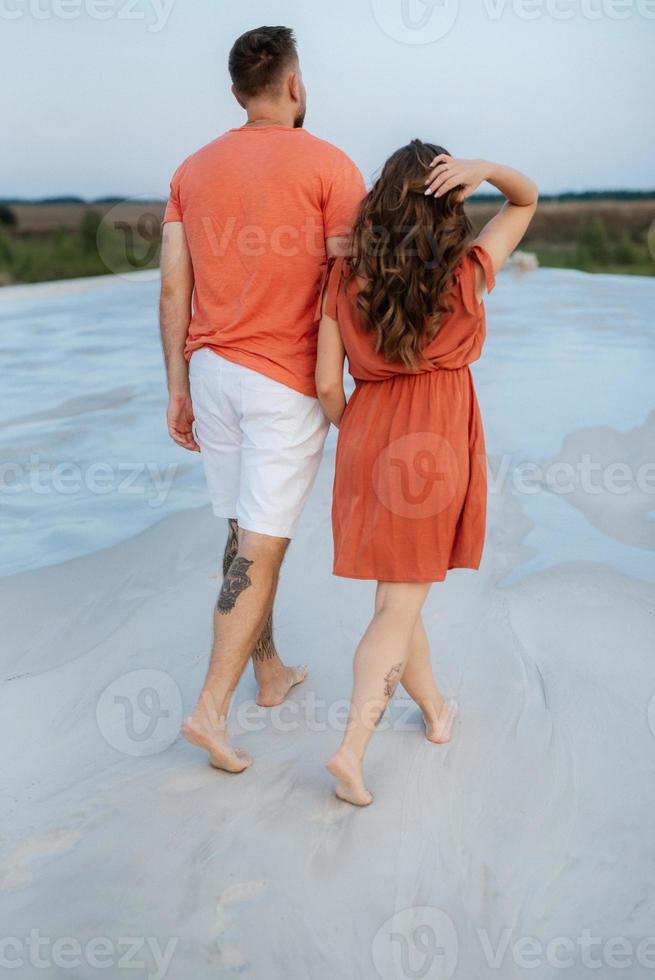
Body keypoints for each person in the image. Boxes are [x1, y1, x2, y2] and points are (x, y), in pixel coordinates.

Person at [159, 26, 366, 773]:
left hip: (211, 373)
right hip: (283, 383)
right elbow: (351, 286)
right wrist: (345, 383)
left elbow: (173, 285)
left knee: (244, 527)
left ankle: (268, 672)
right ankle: (210, 711)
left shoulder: (193, 169)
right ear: (293, 86)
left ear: (237, 91)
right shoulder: (330, 166)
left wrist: (178, 386)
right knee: (263, 547)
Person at [315, 142, 538, 805]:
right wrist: (489, 168)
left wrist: (357, 428)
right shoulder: (467, 267)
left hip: (367, 429)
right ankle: (351, 749)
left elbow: (328, 384)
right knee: (397, 603)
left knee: (398, 597)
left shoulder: (344, 274)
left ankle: (436, 710)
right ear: (450, 200)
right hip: (431, 439)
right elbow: (525, 198)